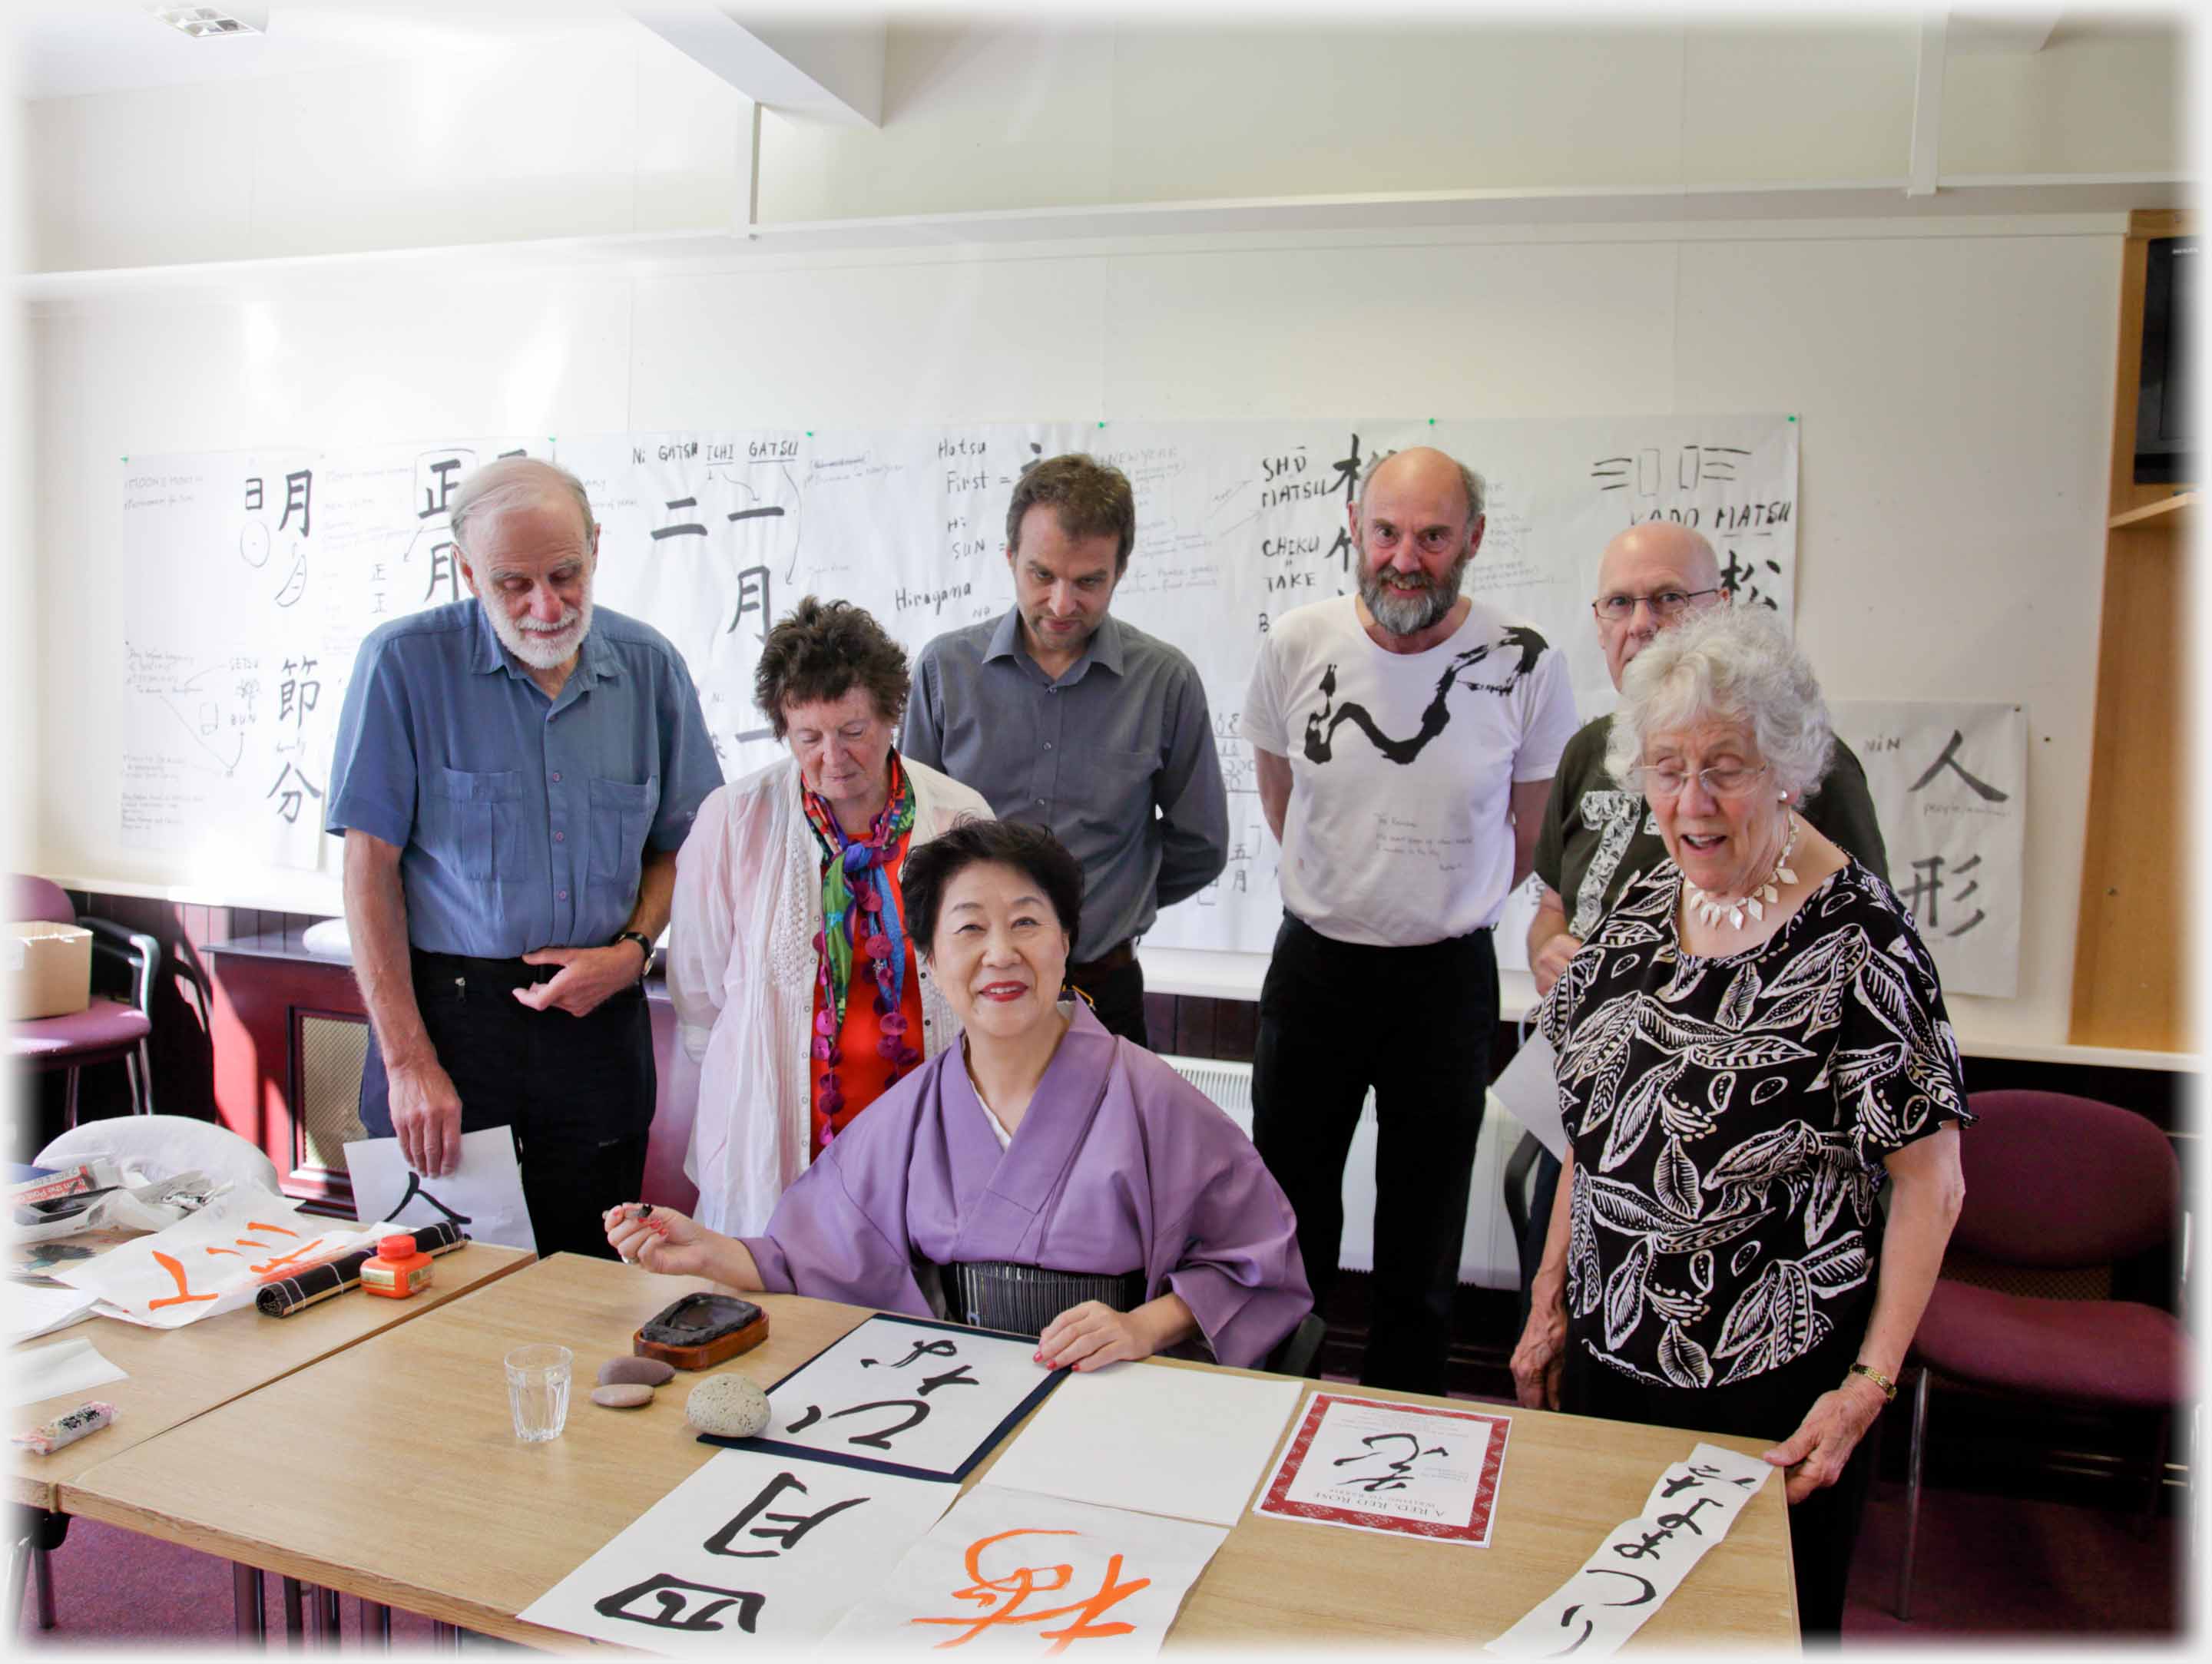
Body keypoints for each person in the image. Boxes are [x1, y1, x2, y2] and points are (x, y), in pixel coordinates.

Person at [1508, 606, 1969, 1639]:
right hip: (1611, 1355)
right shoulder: (1638, 907)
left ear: (1791, 770)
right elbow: (1590, 1122)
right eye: (1668, 768)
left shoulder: (1863, 942)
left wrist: (1868, 1383)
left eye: (1727, 765)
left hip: (1774, 1384)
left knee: (1751, 1629)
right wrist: (1549, 1295)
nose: (1693, 800)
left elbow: (1931, 1182)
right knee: (1604, 1619)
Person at [608, 819, 1311, 1372]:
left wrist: (1140, 1326)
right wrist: (711, 1249)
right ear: (931, 959)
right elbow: (809, 1257)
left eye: (1028, 923)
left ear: (1067, 943)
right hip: (952, 1385)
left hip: (1114, 1387)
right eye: (970, 927)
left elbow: (1256, 1261)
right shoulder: (909, 1115)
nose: (1000, 953)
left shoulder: (1153, 1099)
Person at [1242, 445, 1578, 1393]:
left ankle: (1405, 1430)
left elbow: (1528, 831)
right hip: (1315, 968)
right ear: (1354, 525)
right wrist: (1355, 883)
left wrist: (1435, 898)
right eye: (1387, 532)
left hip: (1445, 976)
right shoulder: (1297, 643)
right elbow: (1284, 801)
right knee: (1287, 1215)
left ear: (1471, 540)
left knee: (1422, 1236)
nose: (1405, 557)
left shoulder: (1526, 661)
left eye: (1432, 537)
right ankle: (1276, 1407)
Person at [327, 457, 720, 1259]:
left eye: (566, 573)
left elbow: (683, 845)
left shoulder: (649, 669)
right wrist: (408, 1063)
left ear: (596, 548)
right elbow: (369, 873)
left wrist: (634, 951)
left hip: (598, 1021)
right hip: (449, 1022)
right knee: (439, 1300)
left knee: (592, 1285)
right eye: (514, 584)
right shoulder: (403, 665)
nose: (547, 605)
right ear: (467, 571)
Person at [1515, 521, 1889, 1325]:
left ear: (1720, 608)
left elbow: (1867, 953)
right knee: (1570, 1322)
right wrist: (1548, 949)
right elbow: (1549, 905)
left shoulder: (1800, 764)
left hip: (1743, 1144)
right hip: (1583, 1112)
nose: (1641, 621)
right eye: (1620, 601)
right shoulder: (1591, 751)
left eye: (1667, 598)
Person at [669, 597, 991, 1236]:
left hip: (920, 1130)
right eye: (808, 738)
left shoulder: (959, 818)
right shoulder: (733, 821)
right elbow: (699, 996)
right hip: (780, 1130)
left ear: (891, 715)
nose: (833, 758)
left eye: (853, 731)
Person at [903, 455, 1228, 1045]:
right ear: (1009, 559)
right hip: (967, 991)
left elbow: (1200, 845)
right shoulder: (943, 672)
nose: (1060, 604)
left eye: (1087, 582)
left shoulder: (1164, 682)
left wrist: (1114, 899)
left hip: (1102, 988)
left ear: (1120, 570)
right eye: (1041, 574)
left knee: (1111, 1141)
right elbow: (910, 834)